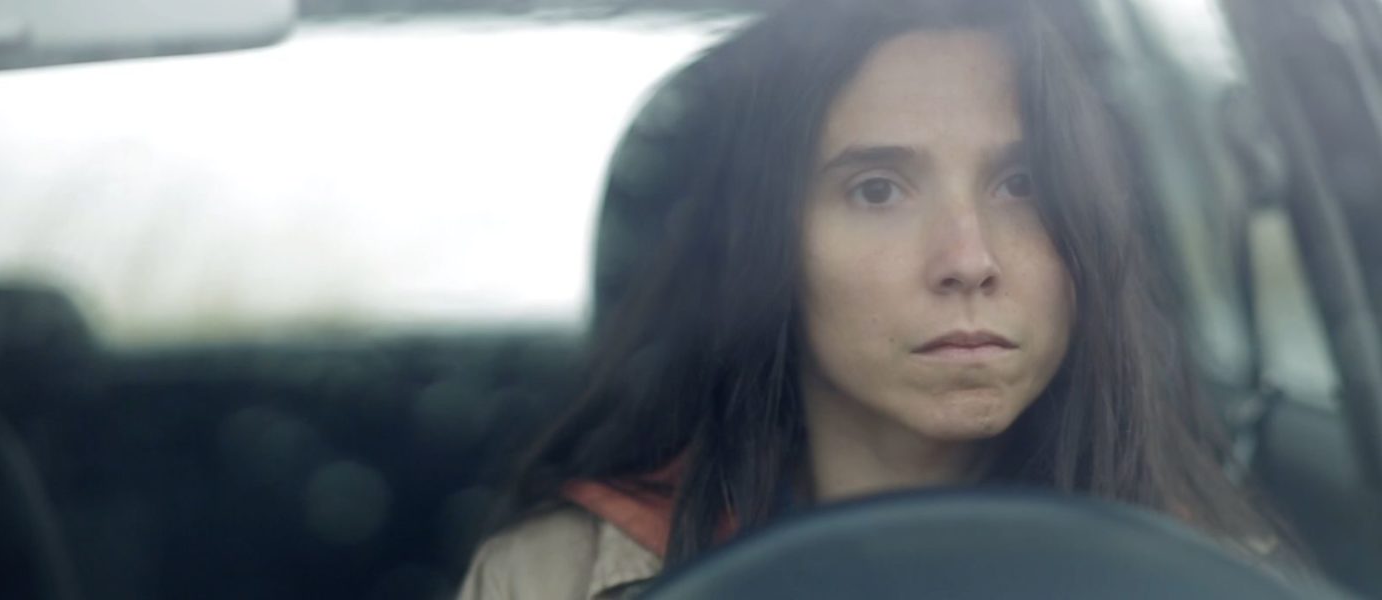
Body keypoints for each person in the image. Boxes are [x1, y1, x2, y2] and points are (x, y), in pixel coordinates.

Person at [458, 0, 1302, 597]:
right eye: (876, 191)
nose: (968, 260)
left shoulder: (1212, 578)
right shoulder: (563, 581)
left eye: (1023, 185)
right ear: (769, 251)